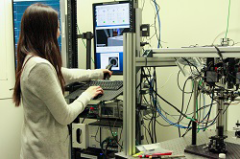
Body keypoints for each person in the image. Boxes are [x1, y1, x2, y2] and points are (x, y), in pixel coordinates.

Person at [12, 3, 112, 159]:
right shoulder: (40, 67)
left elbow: (64, 73)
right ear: (45, 32)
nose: (58, 33)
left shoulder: (31, 59)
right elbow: (66, 116)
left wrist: (97, 73)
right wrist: (87, 94)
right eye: (56, 28)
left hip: (36, 148)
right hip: (44, 153)